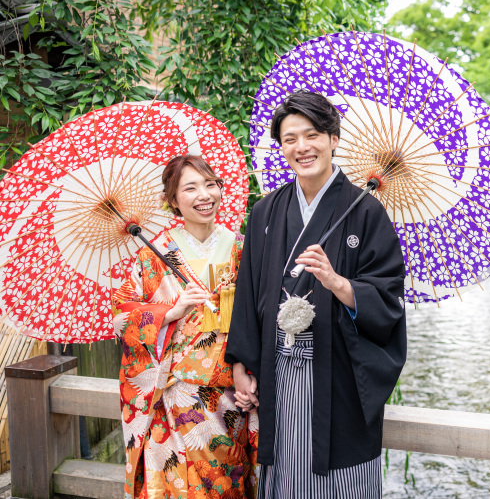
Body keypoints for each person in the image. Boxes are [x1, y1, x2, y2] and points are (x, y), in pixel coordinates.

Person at [225, 90, 407, 498]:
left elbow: (388, 298)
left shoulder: (367, 211)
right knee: (286, 470)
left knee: (341, 477)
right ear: (281, 147)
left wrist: (338, 283)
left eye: (312, 135)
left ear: (333, 139)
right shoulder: (266, 211)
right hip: (277, 368)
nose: (302, 147)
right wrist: (241, 361)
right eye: (290, 139)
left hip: (337, 371)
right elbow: (247, 293)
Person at [113, 155, 258, 499]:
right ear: (173, 200)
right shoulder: (155, 254)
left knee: (227, 481)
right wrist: (170, 311)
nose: (204, 195)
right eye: (190, 188)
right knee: (176, 485)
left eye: (210, 184)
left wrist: (251, 374)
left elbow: (261, 316)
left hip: (231, 388)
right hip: (175, 390)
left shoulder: (243, 247)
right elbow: (121, 318)